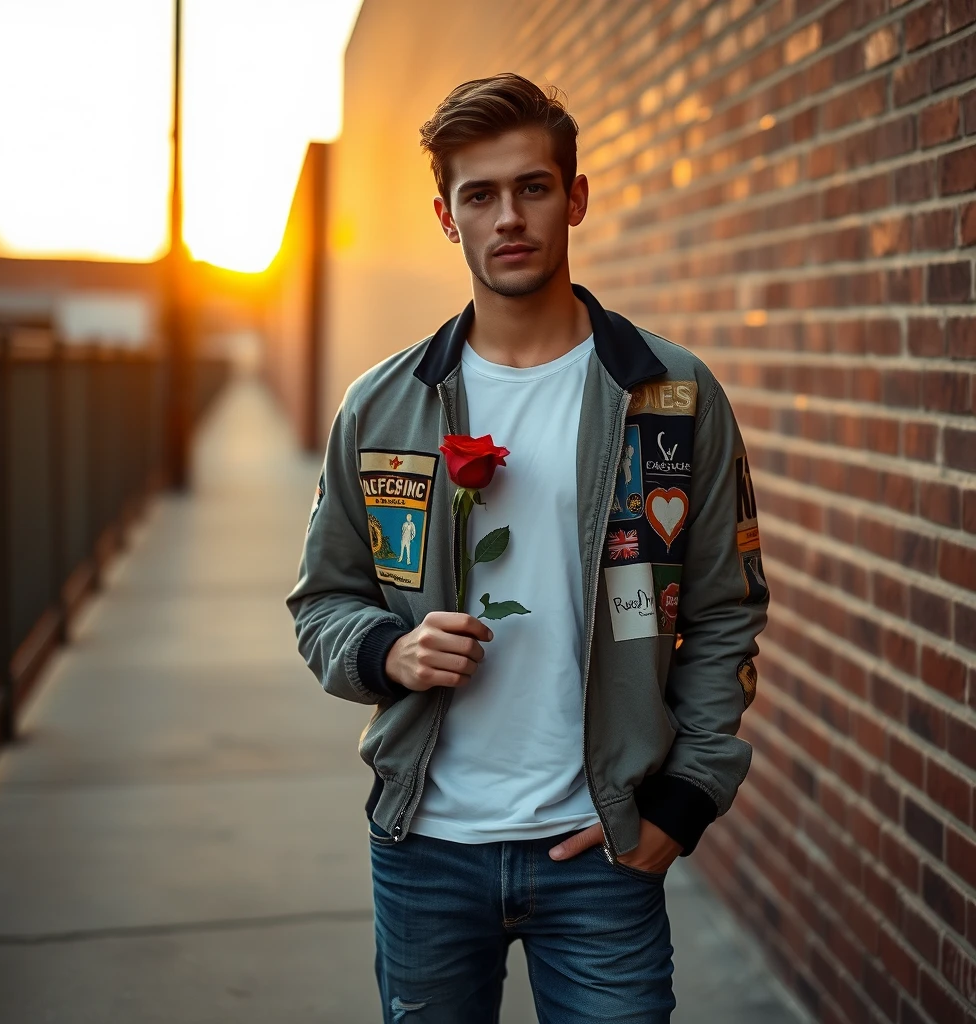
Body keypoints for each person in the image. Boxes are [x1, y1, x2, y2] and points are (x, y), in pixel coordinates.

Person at [288, 72, 768, 1024]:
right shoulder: (383, 406)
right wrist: (388, 651)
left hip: (602, 845)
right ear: (446, 216)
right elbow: (322, 602)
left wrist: (683, 804)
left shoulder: (669, 396)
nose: (508, 216)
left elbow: (725, 612)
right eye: (480, 195)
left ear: (575, 197)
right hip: (425, 846)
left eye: (533, 187)